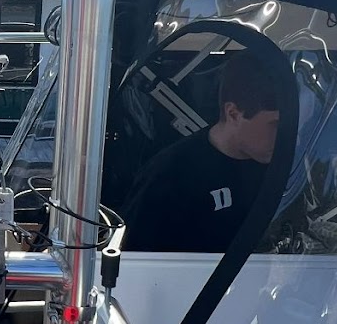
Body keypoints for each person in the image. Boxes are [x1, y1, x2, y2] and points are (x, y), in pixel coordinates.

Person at [120, 49, 281, 253]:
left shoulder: (286, 167)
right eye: (275, 124)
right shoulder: (170, 175)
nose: (286, 135)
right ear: (233, 114)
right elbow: (133, 262)